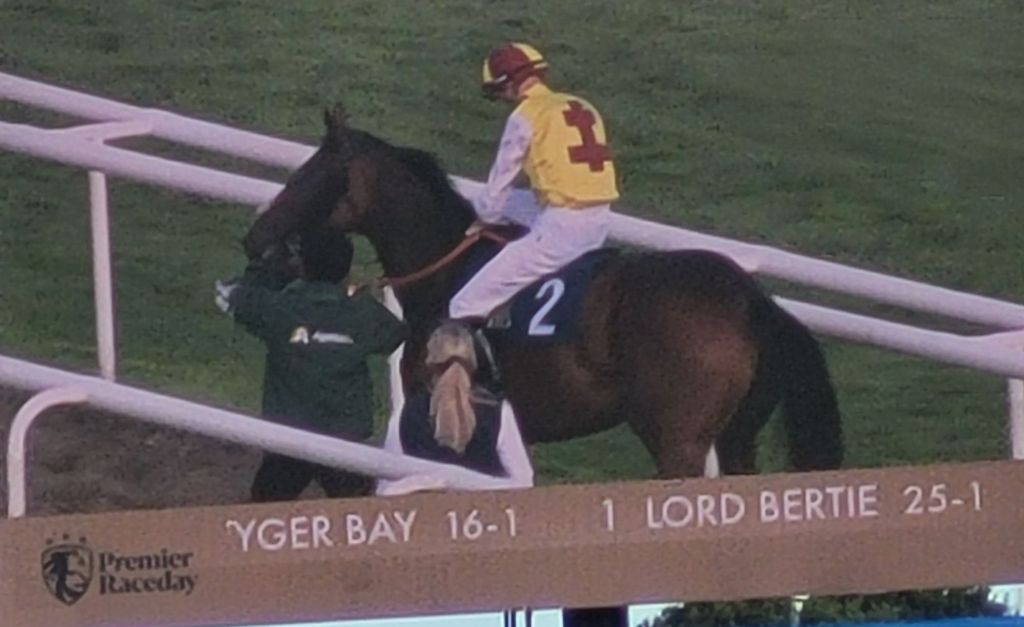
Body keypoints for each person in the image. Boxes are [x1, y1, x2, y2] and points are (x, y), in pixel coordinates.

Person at [215, 227, 408, 502]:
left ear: (301, 266)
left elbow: (232, 295)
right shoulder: (363, 313)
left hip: (288, 441)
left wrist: (271, 265)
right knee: (359, 516)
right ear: (346, 268)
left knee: (263, 513)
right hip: (345, 444)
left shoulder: (278, 308)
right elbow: (395, 334)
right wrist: (360, 297)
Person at [447, 42, 620, 325]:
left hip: (562, 228)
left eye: (498, 92)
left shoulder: (525, 116)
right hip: (600, 217)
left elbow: (496, 192)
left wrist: (483, 218)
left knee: (464, 304)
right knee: (513, 201)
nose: (502, 100)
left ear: (508, 83)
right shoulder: (583, 106)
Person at [377, 322, 533, 496]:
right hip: (486, 512)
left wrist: (425, 483)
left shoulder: (405, 412)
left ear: (430, 363)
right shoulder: (498, 412)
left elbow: (385, 487)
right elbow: (524, 481)